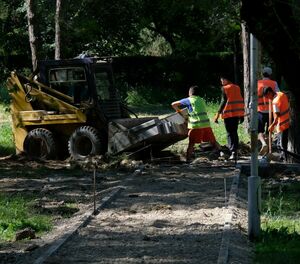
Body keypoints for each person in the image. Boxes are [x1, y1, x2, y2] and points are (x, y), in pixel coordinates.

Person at [171, 85, 220, 162]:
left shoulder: (189, 99)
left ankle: (188, 160)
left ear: (189, 93)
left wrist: (181, 113)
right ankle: (222, 153)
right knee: (213, 141)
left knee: (191, 144)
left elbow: (173, 104)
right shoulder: (201, 100)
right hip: (206, 125)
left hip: (196, 125)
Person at [214, 75, 245, 160]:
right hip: (237, 113)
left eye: (222, 80)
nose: (222, 82)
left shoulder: (225, 88)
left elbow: (223, 101)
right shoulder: (237, 87)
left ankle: (233, 152)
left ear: (226, 79)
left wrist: (217, 114)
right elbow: (241, 99)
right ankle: (236, 151)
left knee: (229, 133)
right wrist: (242, 115)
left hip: (228, 114)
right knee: (234, 132)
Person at [257, 67, 280, 155]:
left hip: (260, 110)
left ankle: (264, 143)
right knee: (269, 130)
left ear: (262, 74)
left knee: (260, 131)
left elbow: (254, 96)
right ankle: (268, 150)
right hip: (271, 111)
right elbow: (277, 95)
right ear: (270, 74)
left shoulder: (258, 83)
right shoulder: (274, 83)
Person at [263, 87, 290, 162]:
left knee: (280, 145)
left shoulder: (275, 102)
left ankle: (283, 161)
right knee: (284, 143)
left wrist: (271, 126)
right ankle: (284, 159)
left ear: (269, 93)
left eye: (267, 97)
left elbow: (277, 116)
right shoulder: (281, 94)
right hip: (287, 122)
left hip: (281, 125)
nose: (268, 99)